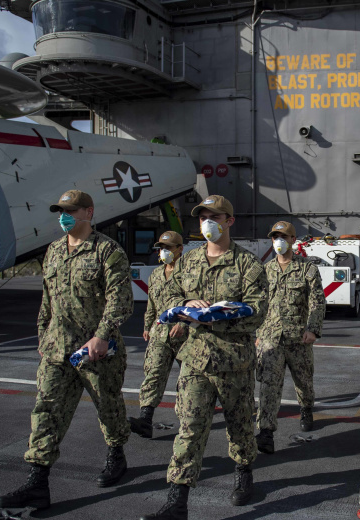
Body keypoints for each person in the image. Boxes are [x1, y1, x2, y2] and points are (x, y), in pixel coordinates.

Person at [0, 190, 133, 511]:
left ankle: (116, 454)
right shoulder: (54, 250)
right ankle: (37, 481)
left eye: (71, 211)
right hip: (57, 349)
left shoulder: (107, 251)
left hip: (96, 351)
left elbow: (120, 299)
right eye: (61, 211)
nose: (64, 217)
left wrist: (102, 336)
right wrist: (43, 337)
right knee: (46, 409)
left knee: (108, 407)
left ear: (89, 212)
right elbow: (48, 298)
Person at [139, 195, 268, 520]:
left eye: (215, 216)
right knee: (190, 429)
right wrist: (185, 304)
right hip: (195, 360)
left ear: (229, 221)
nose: (207, 222)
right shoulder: (188, 261)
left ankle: (244, 471)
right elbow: (169, 294)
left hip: (234, 362)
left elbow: (258, 311)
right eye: (202, 217)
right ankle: (177, 501)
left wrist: (217, 317)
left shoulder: (248, 264)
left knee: (240, 426)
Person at [255, 221, 325, 454]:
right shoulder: (265, 270)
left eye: (283, 236)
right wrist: (258, 333)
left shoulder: (307, 269)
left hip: (298, 339)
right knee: (268, 386)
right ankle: (265, 432)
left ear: (293, 240)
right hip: (270, 339)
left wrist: (312, 329)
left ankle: (306, 409)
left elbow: (317, 301)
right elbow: (259, 304)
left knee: (303, 381)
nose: (279, 241)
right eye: (275, 237)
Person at [129, 230, 188, 439]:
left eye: (168, 248)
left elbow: (197, 304)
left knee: (188, 379)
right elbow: (151, 304)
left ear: (180, 249)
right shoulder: (155, 274)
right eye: (161, 248)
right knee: (154, 374)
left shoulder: (189, 273)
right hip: (160, 334)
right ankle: (145, 419)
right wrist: (147, 326)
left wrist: (184, 323)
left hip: (185, 336)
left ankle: (190, 421)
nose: (163, 251)